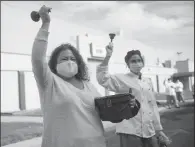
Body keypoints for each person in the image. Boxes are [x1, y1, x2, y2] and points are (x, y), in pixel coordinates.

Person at [31, 6, 137, 147]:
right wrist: (45, 24)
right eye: (64, 59)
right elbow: (37, 59)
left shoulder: (88, 85)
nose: (69, 61)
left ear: (79, 63)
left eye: (73, 59)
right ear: (54, 65)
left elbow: (106, 113)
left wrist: (126, 107)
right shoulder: (49, 83)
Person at [96, 42, 171, 147]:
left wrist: (159, 130)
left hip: (149, 130)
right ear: (128, 64)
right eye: (133, 61)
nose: (137, 63)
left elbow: (152, 106)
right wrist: (108, 56)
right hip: (130, 131)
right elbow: (102, 79)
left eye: (139, 60)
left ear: (143, 62)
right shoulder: (122, 79)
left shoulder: (147, 82)